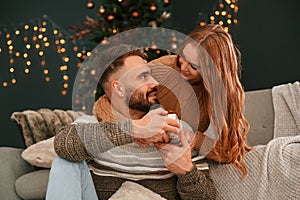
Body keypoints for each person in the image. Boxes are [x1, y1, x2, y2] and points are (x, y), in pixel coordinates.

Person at [47, 44, 216, 200]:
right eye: (143, 76)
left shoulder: (175, 128)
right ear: (119, 88)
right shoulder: (91, 126)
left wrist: (187, 171)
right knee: (64, 162)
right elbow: (63, 145)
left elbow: (207, 197)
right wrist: (135, 130)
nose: (155, 82)